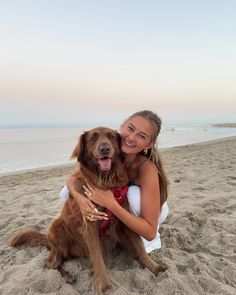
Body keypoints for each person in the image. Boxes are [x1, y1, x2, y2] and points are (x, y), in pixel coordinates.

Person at [60, 110, 169, 253]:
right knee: (66, 192)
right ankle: (113, 233)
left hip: (151, 211)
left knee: (132, 195)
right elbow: (72, 179)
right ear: (122, 126)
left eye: (141, 136)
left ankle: (141, 243)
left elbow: (150, 232)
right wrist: (80, 199)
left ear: (149, 144)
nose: (131, 137)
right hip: (120, 203)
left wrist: (110, 204)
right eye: (130, 128)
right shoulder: (102, 150)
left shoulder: (146, 169)